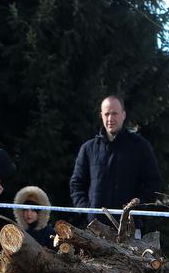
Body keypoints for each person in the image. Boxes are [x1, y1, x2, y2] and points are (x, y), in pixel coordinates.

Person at [69, 96, 162, 225]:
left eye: (114, 113)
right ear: (101, 115)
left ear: (123, 115)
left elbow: (153, 183)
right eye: (106, 114)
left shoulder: (140, 146)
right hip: (94, 228)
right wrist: (88, 211)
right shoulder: (88, 148)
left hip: (130, 228)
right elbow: (76, 185)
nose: (110, 119)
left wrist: (137, 210)